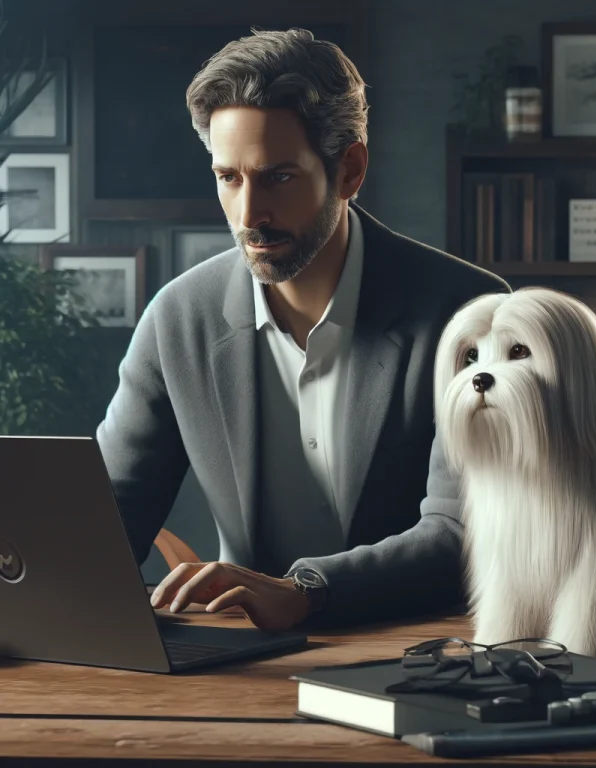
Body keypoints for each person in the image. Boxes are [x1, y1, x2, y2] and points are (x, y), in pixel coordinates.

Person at [96, 27, 510, 632]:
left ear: (350, 170)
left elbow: (464, 534)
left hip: (421, 648)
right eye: (228, 178)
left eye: (277, 177)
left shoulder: (469, 314)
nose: (248, 215)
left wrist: (309, 591)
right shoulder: (177, 319)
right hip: (243, 660)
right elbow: (106, 518)